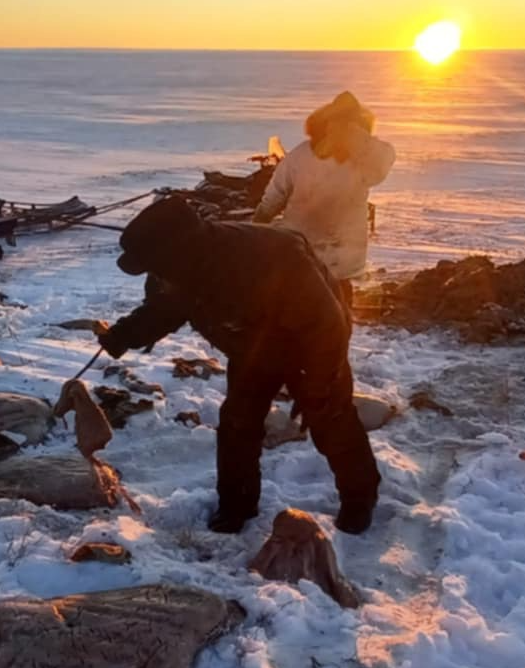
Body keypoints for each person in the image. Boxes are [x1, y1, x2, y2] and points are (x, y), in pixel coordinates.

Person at [99, 196, 381, 535]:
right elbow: (166, 309)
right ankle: (237, 505)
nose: (155, 275)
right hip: (252, 349)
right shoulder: (178, 271)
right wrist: (124, 335)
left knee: (330, 419)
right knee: (237, 425)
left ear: (179, 254)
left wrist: (319, 384)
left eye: (155, 266)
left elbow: (326, 326)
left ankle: (359, 499)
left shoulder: (272, 259)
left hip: (309, 342)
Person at [252, 91, 396, 317]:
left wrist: (258, 222)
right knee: (332, 321)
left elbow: (274, 196)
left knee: (304, 317)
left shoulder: (356, 159)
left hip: (308, 254)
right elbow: (382, 163)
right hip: (331, 258)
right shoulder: (362, 161)